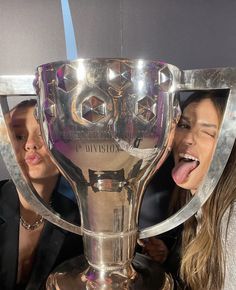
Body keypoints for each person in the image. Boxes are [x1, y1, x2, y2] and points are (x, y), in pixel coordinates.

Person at [141, 89, 236, 290]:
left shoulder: (231, 220)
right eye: (184, 125)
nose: (188, 138)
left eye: (208, 132)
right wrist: (170, 255)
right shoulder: (192, 201)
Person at [0, 99, 84, 290]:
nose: (30, 144)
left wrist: (155, 251)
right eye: (19, 135)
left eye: (44, 135)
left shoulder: (78, 221)